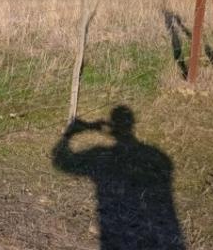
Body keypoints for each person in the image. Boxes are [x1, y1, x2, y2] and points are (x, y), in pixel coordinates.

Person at [52, 106, 185, 249]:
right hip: (157, 232)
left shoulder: (101, 155)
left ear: (113, 125)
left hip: (117, 232)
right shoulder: (158, 156)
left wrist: (70, 134)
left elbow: (61, 163)